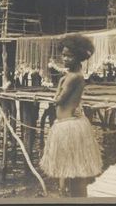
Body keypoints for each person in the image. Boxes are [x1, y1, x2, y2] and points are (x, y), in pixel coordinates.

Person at [40, 34, 102, 197]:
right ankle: (73, 196)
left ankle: (78, 197)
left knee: (75, 173)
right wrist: (61, 82)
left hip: (69, 126)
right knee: (73, 170)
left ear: (79, 57)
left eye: (70, 56)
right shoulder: (73, 75)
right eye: (64, 55)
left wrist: (59, 86)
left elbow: (59, 100)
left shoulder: (73, 77)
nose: (65, 58)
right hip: (68, 123)